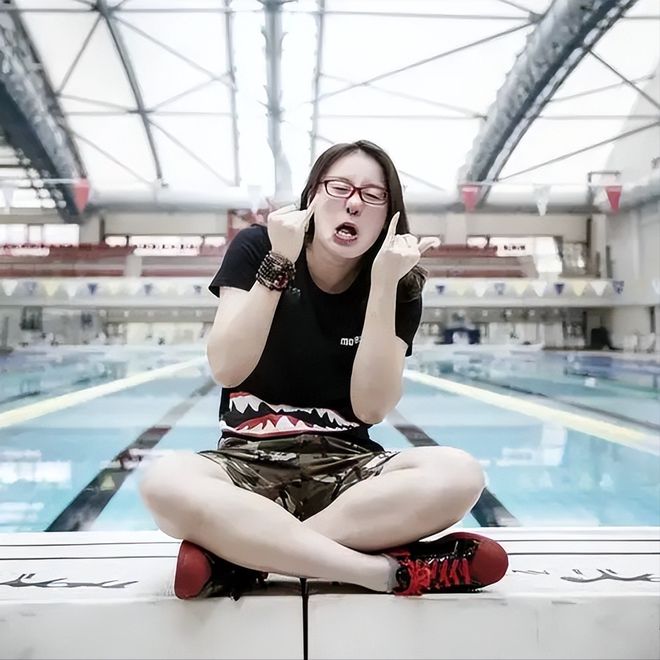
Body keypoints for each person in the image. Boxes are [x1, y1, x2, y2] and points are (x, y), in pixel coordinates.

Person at [140, 140, 508, 599]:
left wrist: (383, 285)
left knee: (459, 474)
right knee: (163, 482)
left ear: (389, 215)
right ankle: (383, 572)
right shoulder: (259, 246)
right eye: (340, 188)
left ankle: (241, 558)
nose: (354, 203)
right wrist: (279, 262)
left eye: (373, 195)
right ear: (312, 195)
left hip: (349, 472)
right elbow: (228, 369)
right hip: (247, 463)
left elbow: (371, 408)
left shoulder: (400, 283)